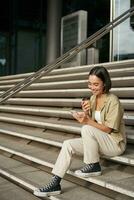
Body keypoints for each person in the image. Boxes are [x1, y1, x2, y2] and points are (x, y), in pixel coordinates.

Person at [34, 66, 126, 197]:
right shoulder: (93, 98)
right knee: (68, 144)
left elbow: (108, 129)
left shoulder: (113, 101)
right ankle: (55, 183)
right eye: (90, 83)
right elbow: (92, 123)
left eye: (96, 84)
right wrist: (85, 114)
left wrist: (87, 122)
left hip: (114, 143)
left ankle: (94, 165)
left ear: (105, 83)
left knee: (87, 128)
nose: (92, 87)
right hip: (99, 140)